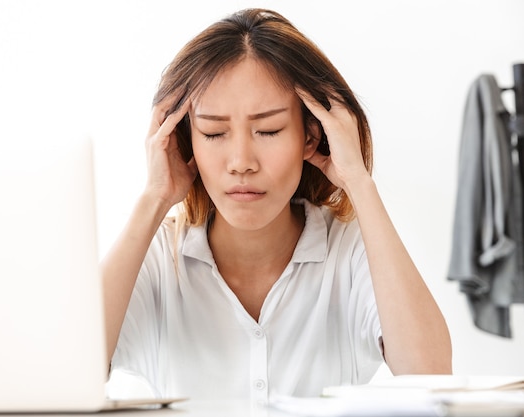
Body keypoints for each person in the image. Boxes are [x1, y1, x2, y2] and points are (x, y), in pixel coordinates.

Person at [100, 7, 452, 402]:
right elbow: (71, 368)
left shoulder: (350, 252)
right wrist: (154, 198)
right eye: (214, 133)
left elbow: (431, 377)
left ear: (311, 136)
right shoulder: (158, 260)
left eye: (268, 130)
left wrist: (358, 181)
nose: (241, 162)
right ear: (185, 141)